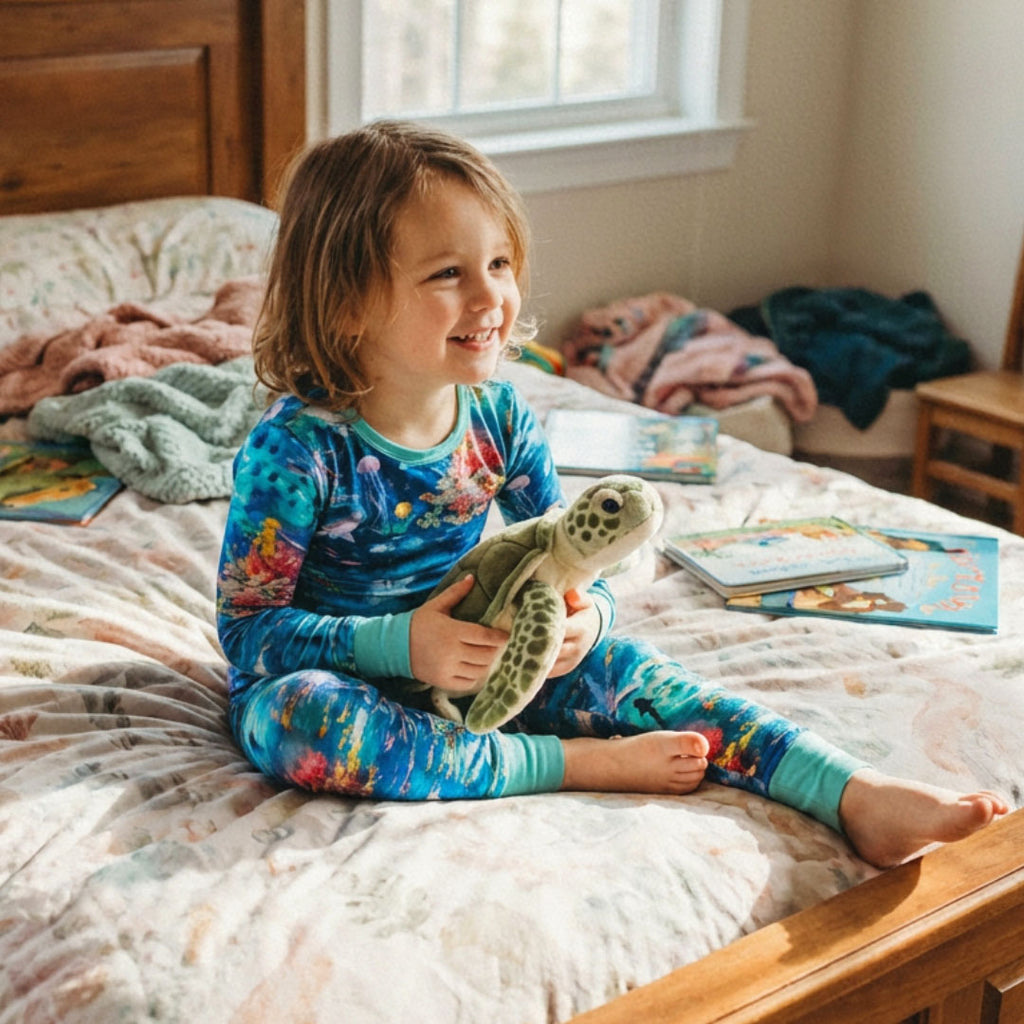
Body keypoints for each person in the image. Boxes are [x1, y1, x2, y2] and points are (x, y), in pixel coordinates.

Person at [216, 120, 1007, 870]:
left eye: (499, 264)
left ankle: (849, 792)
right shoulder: (296, 450)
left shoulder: (499, 414)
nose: (491, 299)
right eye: (447, 274)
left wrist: (587, 618)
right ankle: (572, 764)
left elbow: (570, 557)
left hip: (491, 664)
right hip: (347, 677)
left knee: (641, 673)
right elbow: (250, 632)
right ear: (349, 301)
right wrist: (402, 647)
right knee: (304, 725)